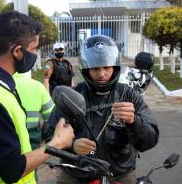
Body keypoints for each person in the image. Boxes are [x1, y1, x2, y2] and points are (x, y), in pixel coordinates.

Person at [0, 11, 74, 184]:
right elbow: (12, 170)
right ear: (17, 51)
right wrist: (56, 144)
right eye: (33, 49)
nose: (35, 54)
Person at [43, 35, 159, 184]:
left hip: (119, 172)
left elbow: (150, 140)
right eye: (95, 68)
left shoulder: (128, 95)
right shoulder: (73, 95)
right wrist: (72, 145)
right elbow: (49, 131)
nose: (102, 74)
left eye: (107, 67)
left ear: (115, 67)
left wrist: (134, 121)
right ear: (86, 69)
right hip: (77, 172)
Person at [13, 72, 54, 150]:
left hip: (8, 139)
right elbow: (51, 116)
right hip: (33, 141)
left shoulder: (0, 86)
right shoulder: (38, 86)